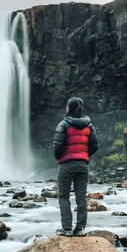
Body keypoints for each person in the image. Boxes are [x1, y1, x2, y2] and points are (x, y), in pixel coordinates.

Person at [52, 97, 98, 237]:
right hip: (82, 165)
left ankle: (66, 229)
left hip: (66, 165)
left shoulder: (64, 124)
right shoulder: (89, 126)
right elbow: (94, 146)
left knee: (64, 197)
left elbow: (58, 146)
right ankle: (80, 229)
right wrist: (84, 155)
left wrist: (60, 158)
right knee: (81, 197)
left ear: (68, 109)